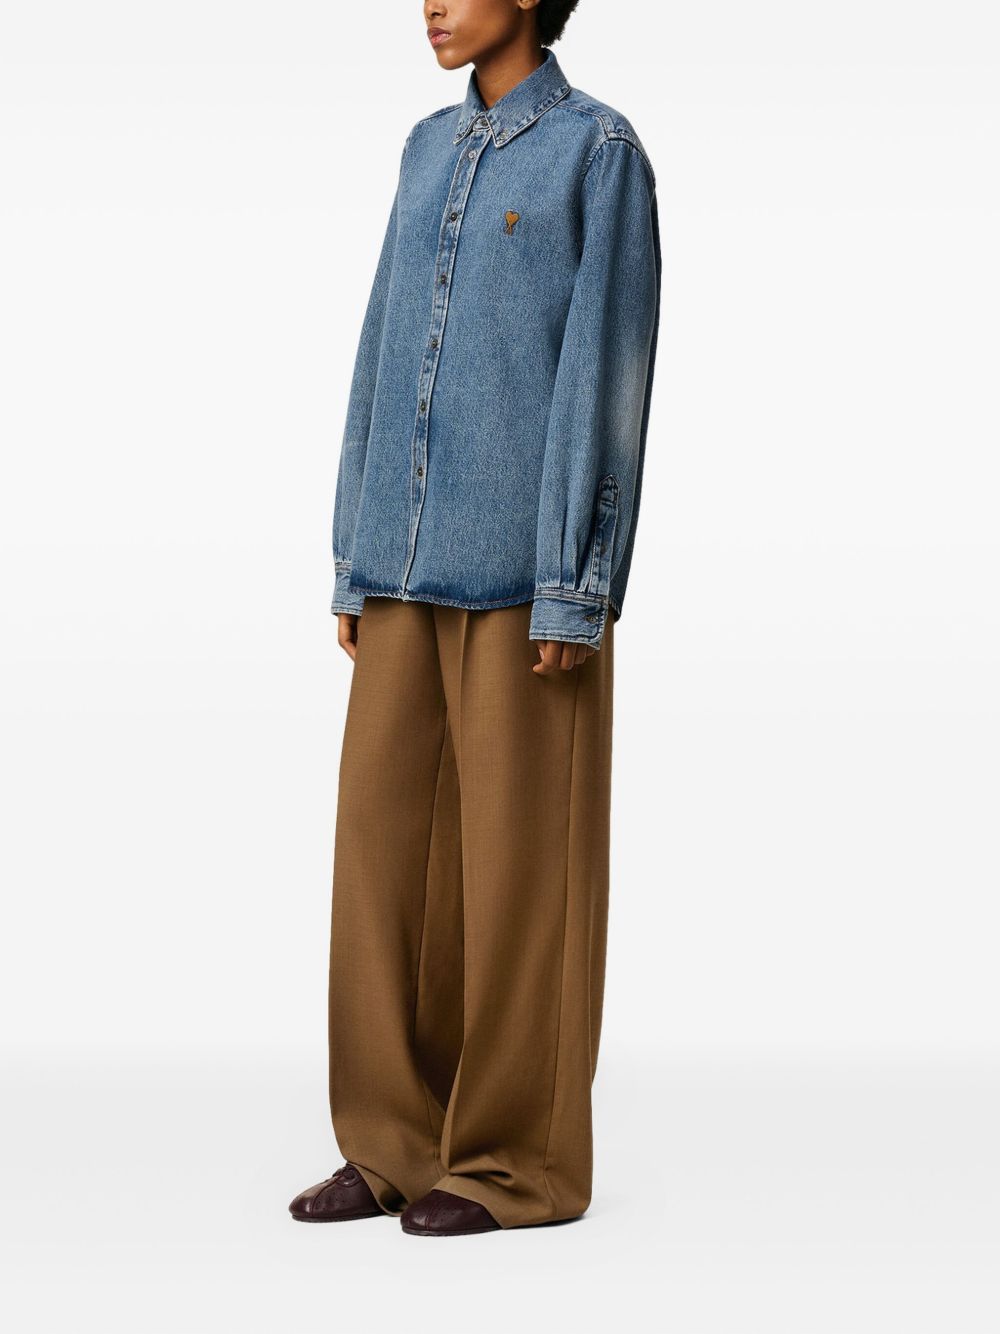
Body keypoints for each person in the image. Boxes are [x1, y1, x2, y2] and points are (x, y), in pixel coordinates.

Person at [290, 0, 661, 1237]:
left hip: (521, 576)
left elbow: (604, 374)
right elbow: (380, 348)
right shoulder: (422, 148)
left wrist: (575, 579)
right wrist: (353, 554)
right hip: (400, 561)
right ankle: (392, 1141)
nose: (432, 4)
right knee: (381, 864)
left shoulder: (599, 153)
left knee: (519, 874)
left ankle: (515, 1162)